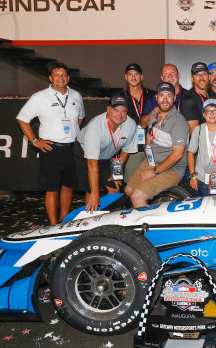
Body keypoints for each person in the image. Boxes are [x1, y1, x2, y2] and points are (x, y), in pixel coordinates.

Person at [16, 62, 85, 225]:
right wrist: (34, 140)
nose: (60, 78)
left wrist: (72, 133)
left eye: (63, 75)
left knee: (68, 187)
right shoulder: (40, 97)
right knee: (52, 189)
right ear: (50, 78)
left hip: (72, 148)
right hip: (51, 148)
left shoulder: (76, 96)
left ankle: (65, 222)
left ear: (68, 78)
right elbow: (22, 118)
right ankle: (54, 225)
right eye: (56, 75)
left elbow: (81, 117)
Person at [125, 82, 189, 207]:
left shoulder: (179, 122)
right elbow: (149, 132)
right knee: (128, 190)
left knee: (137, 197)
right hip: (152, 162)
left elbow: (177, 155)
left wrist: (153, 172)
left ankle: (147, 225)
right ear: (156, 98)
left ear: (174, 98)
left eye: (169, 96)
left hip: (172, 169)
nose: (165, 100)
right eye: (161, 95)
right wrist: (149, 157)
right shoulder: (155, 114)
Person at [74, 93, 138, 211]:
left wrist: (116, 173)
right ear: (108, 109)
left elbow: (125, 151)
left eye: (123, 111)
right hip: (86, 154)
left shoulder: (131, 125)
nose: (120, 115)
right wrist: (95, 193)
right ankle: (89, 218)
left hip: (110, 154)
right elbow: (92, 164)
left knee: (115, 187)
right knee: (91, 190)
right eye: (116, 110)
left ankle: (107, 218)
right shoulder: (95, 126)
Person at [121, 63, 158, 183]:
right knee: (132, 183)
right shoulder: (120, 97)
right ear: (126, 77)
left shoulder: (153, 95)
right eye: (130, 74)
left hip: (153, 146)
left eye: (136, 74)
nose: (133, 77)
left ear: (141, 77)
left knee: (151, 184)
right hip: (131, 149)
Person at [180, 62, 216, 135]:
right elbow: (195, 134)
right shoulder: (189, 100)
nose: (201, 78)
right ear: (192, 78)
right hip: (201, 143)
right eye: (197, 75)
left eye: (204, 74)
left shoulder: (212, 95)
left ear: (209, 77)